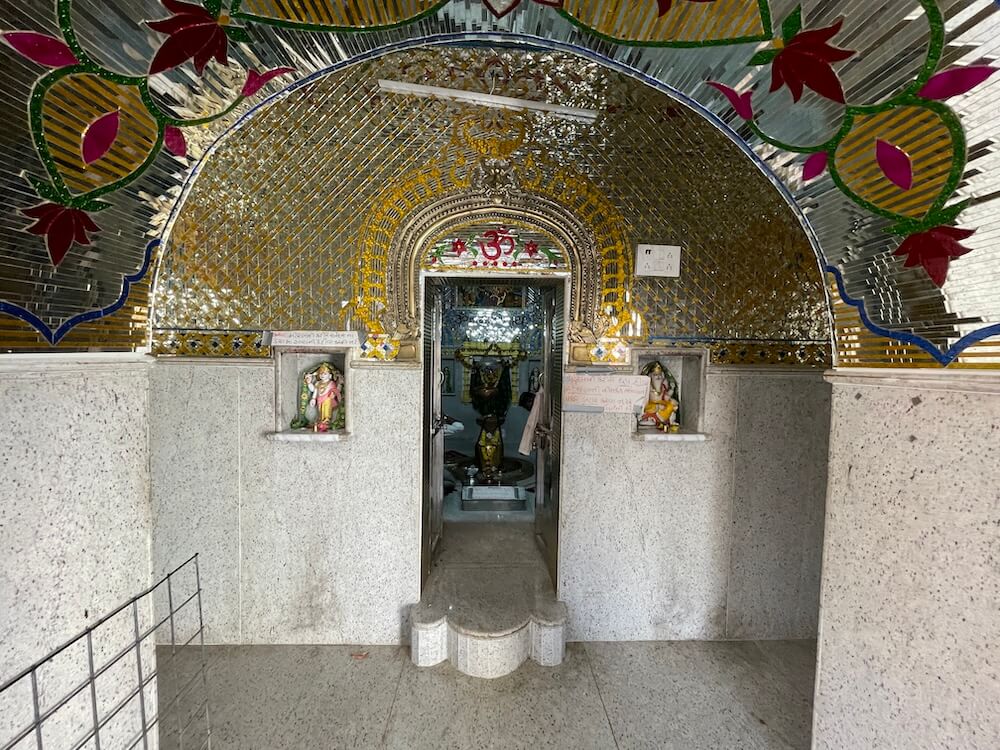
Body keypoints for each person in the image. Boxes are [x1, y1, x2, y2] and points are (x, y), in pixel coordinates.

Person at [638, 361, 679, 430]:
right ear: (650, 376)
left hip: (662, 403)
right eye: (655, 375)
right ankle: (649, 419)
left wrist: (671, 391)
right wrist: (657, 405)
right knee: (652, 407)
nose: (658, 376)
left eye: (659, 375)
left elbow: (666, 396)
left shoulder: (663, 386)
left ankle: (669, 421)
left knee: (673, 405)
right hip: (650, 404)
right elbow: (643, 399)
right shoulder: (649, 387)